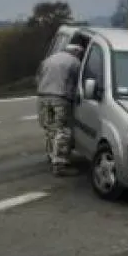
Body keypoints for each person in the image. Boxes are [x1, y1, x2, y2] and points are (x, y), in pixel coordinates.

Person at [36, 36, 86, 175]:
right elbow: (78, 83)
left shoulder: (49, 59)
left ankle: (51, 155)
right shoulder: (75, 62)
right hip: (60, 97)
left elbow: (38, 77)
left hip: (43, 96)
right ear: (77, 52)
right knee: (63, 130)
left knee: (50, 128)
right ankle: (59, 164)